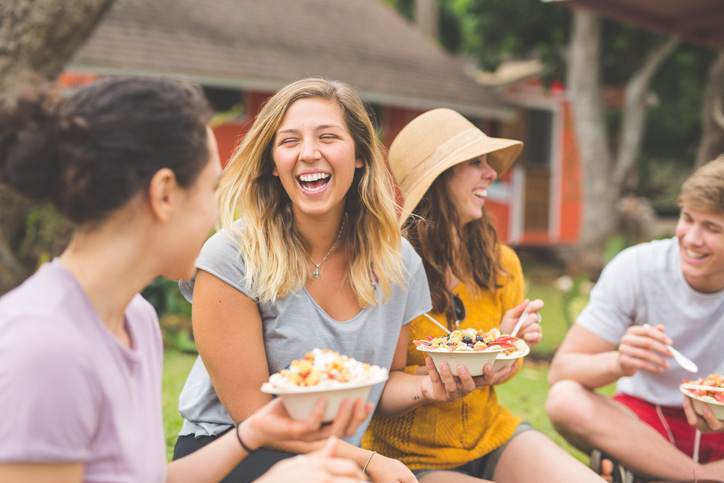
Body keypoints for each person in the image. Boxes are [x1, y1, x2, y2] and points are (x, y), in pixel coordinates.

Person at [0, 77, 368, 483]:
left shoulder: (134, 320)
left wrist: (253, 433)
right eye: (211, 188)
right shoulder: (47, 347)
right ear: (164, 195)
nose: (216, 215)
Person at [172, 78, 431, 482]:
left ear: (360, 155)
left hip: (335, 461)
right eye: (289, 141)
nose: (309, 153)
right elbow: (254, 414)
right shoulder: (230, 257)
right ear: (273, 163)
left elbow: (386, 382)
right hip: (234, 451)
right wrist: (367, 462)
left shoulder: (399, 262)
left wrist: (433, 386)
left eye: (328, 137)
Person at [362, 108, 604, 482]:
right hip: (409, 458)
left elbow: (501, 372)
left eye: (488, 163)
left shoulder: (502, 263)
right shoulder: (388, 269)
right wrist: (430, 388)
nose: (491, 173)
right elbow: (377, 390)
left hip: (490, 436)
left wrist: (508, 345)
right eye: (475, 163)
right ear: (439, 178)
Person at [546, 156, 724, 482]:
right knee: (565, 399)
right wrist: (621, 362)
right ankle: (699, 476)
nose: (692, 238)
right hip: (645, 427)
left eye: (712, 228)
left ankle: (647, 474)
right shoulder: (638, 267)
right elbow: (562, 370)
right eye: (688, 219)